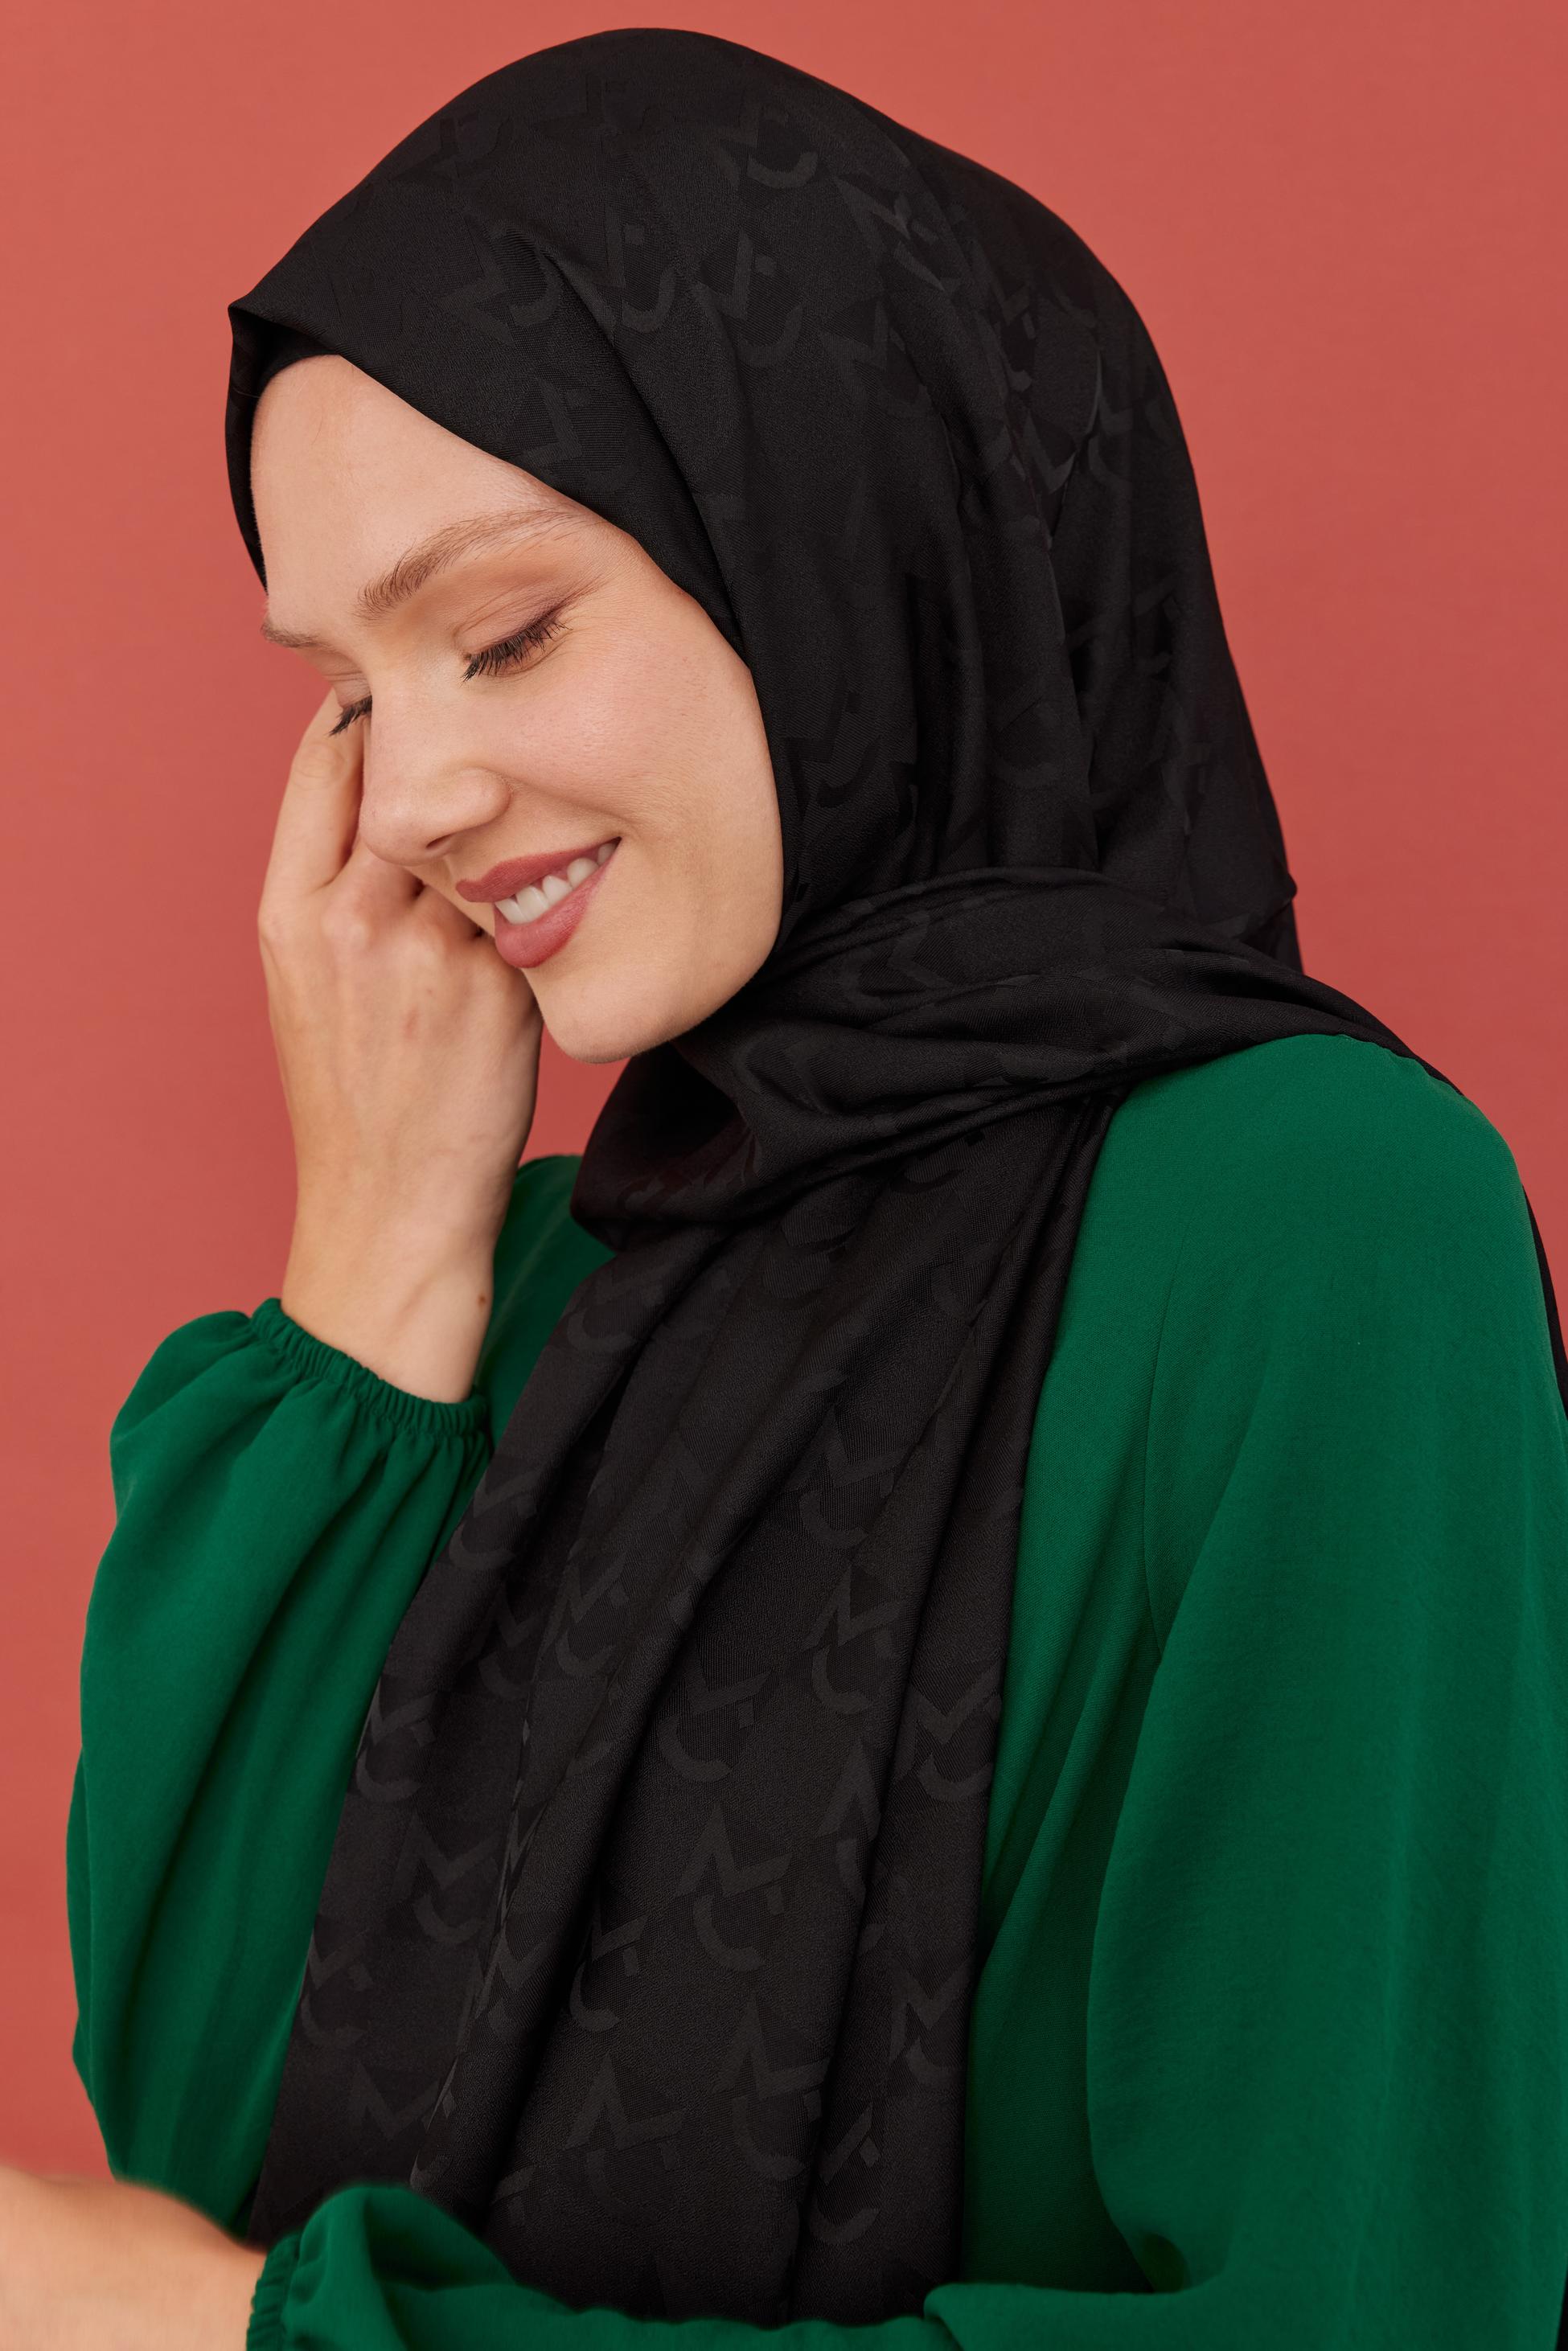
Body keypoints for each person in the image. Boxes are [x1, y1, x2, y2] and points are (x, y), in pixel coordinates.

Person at [8, 23, 1566, 2351]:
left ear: (845, 537)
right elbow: (207, 2144)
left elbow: (1361, 2320)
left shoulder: (1313, 1234)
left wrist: (234, 2337)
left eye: (502, 632)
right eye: (348, 691)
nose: (408, 795)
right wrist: (376, 1267)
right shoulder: (530, 1297)